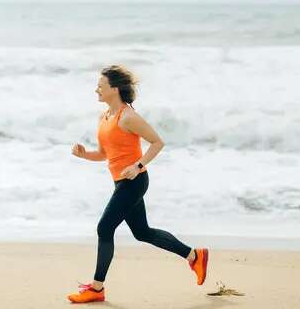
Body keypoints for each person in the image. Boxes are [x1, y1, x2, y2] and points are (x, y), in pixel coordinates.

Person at [67, 65, 209, 304]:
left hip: (134, 182)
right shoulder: (104, 118)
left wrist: (138, 166)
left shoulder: (129, 116)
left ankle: (97, 288)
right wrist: (84, 155)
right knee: (142, 232)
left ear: (114, 88)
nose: (96, 90)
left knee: (104, 228)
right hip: (120, 182)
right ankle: (194, 256)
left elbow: (157, 142)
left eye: (100, 86)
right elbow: (104, 154)